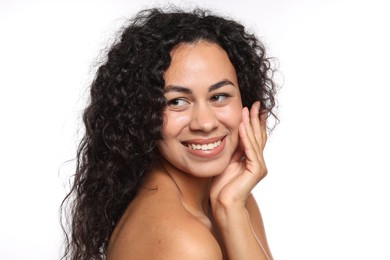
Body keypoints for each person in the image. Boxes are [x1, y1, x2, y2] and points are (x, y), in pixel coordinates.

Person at [61, 7, 278, 260]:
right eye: (176, 102)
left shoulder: (230, 198)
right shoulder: (185, 241)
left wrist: (231, 208)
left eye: (219, 96)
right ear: (142, 112)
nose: (205, 123)